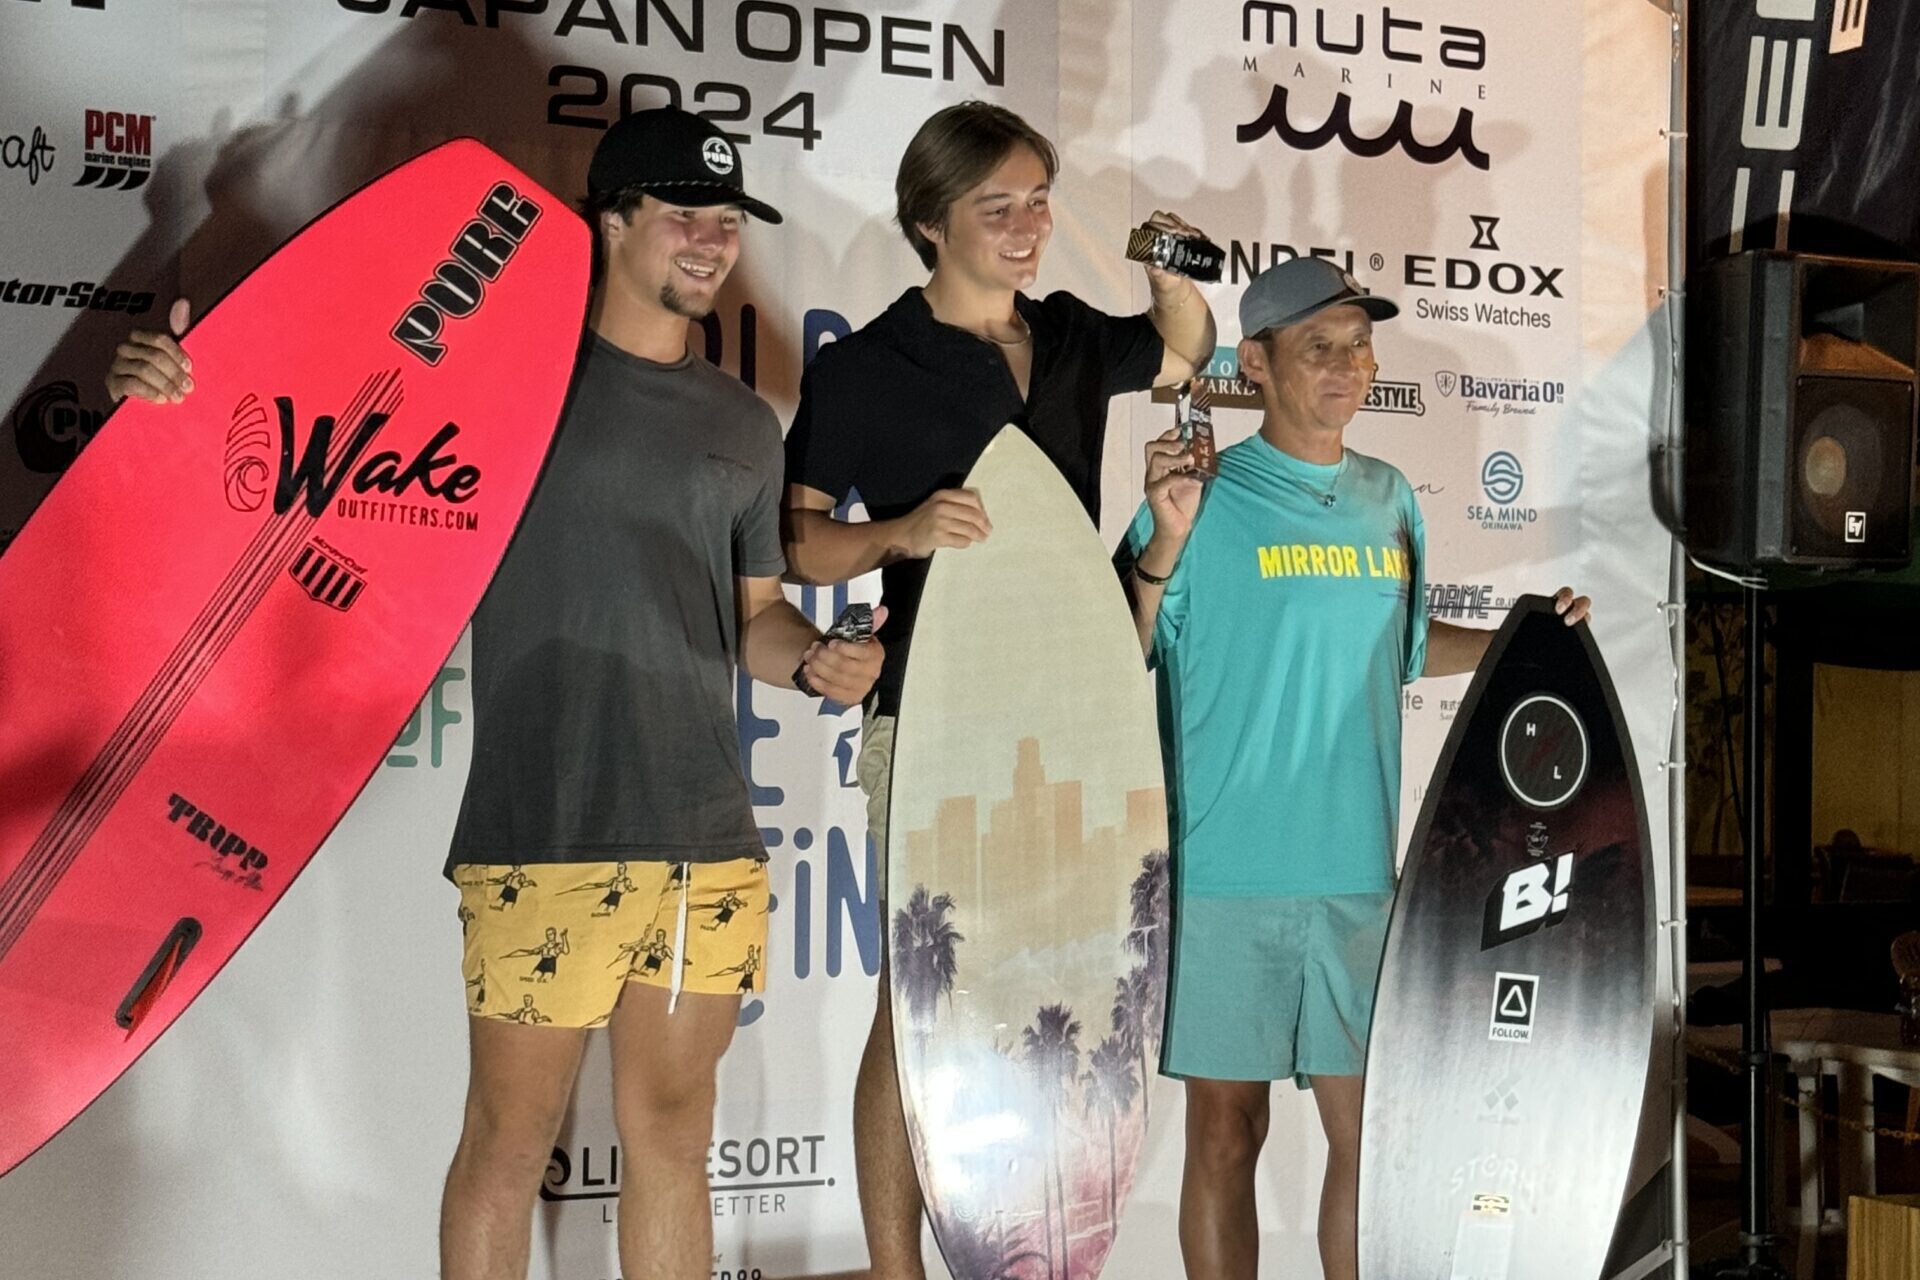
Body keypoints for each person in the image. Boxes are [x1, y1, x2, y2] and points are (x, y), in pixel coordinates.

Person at [105, 108, 885, 1280]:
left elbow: (754, 618)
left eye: (728, 221)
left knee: (674, 1139)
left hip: (706, 846)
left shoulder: (742, 421)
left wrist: (817, 662)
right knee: (508, 1142)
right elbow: (290, 455)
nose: (713, 242)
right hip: (543, 834)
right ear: (611, 220)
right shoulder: (497, 378)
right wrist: (172, 391)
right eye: (686, 215)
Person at [780, 99, 1216, 1278]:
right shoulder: (868, 367)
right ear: (930, 223)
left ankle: (1032, 1238)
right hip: (932, 717)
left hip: (1075, 714)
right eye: (997, 207)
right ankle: (893, 1264)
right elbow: (801, 543)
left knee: (1066, 981)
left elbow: (1184, 349)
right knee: (918, 1001)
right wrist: (905, 531)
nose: (1028, 228)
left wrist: (1170, 267)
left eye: (1037, 200)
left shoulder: (1070, 333)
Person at [1121, 256, 1590, 1280]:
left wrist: (1526, 634)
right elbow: (1126, 645)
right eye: (1318, 346)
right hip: (1225, 870)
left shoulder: (1388, 498)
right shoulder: (1200, 498)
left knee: (1371, 1137)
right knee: (1224, 1135)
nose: (1347, 364)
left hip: (1360, 878)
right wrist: (1163, 537)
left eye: (1359, 342)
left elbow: (1409, 648)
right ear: (1257, 361)